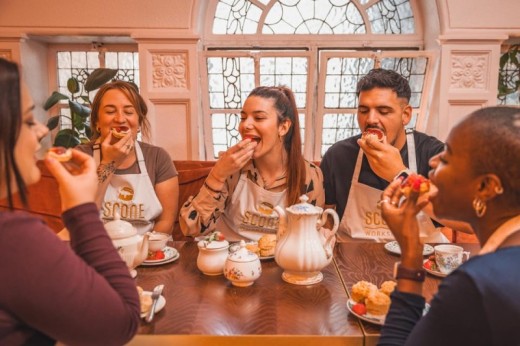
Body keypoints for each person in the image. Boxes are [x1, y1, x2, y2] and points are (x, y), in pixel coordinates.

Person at [0, 58, 139, 344]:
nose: (41, 131)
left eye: (129, 111)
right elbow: (119, 324)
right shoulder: (12, 239)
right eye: (27, 120)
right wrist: (82, 210)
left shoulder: (156, 156)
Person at [378, 106, 520, 345]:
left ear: (486, 187)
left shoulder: (475, 285)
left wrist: (409, 261)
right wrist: (412, 251)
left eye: (446, 157)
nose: (432, 162)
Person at [180, 86, 324, 241]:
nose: (245, 125)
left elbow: (310, 237)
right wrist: (217, 175)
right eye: (243, 118)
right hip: (231, 260)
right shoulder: (231, 169)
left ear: (283, 127)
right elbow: (191, 228)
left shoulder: (309, 175)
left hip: (282, 261)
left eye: (259, 118)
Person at [321, 68, 448, 242]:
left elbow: (467, 222)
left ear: (406, 115)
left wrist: (400, 174)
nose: (371, 119)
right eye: (364, 110)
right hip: (355, 264)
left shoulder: (432, 153)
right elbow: (326, 216)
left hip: (419, 262)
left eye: (383, 111)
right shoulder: (338, 156)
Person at [77, 81, 178, 235]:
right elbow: (81, 217)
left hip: (146, 252)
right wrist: (110, 162)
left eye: (129, 112)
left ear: (138, 123)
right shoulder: (82, 156)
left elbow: (166, 222)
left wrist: (142, 252)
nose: (120, 119)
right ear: (97, 122)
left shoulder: (158, 157)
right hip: (97, 249)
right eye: (110, 111)